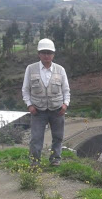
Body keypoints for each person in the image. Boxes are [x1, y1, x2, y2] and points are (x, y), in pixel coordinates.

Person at [22, 38, 70, 166]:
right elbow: (25, 89)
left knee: (58, 136)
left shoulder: (60, 70)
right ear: (39, 54)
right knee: (36, 138)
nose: (46, 55)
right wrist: (29, 105)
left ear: (53, 54)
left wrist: (65, 104)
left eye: (49, 53)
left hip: (57, 110)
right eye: (44, 52)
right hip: (38, 111)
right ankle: (35, 161)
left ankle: (55, 159)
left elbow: (66, 90)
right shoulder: (30, 69)